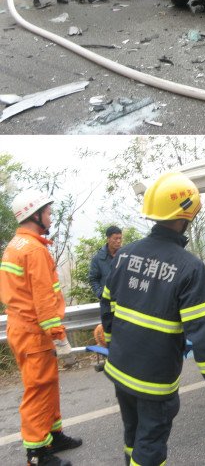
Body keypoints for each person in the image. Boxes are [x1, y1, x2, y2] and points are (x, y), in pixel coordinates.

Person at [101, 172, 205, 466]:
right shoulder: (189, 267)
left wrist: (113, 345)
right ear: (187, 215)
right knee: (150, 447)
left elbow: (107, 307)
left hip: (120, 369)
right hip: (154, 381)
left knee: (133, 436)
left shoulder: (125, 255)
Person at [0, 189, 82, 466]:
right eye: (47, 212)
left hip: (21, 327)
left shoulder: (16, 245)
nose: (50, 216)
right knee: (38, 388)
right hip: (34, 331)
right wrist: (58, 335)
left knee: (48, 384)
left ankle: (53, 434)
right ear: (35, 215)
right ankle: (37, 453)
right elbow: (44, 298)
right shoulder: (34, 250)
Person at [89, 225, 123, 299]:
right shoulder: (98, 258)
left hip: (123, 302)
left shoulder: (125, 255)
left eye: (120, 238)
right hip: (107, 304)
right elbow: (93, 279)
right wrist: (100, 294)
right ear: (108, 239)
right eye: (115, 238)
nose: (118, 241)